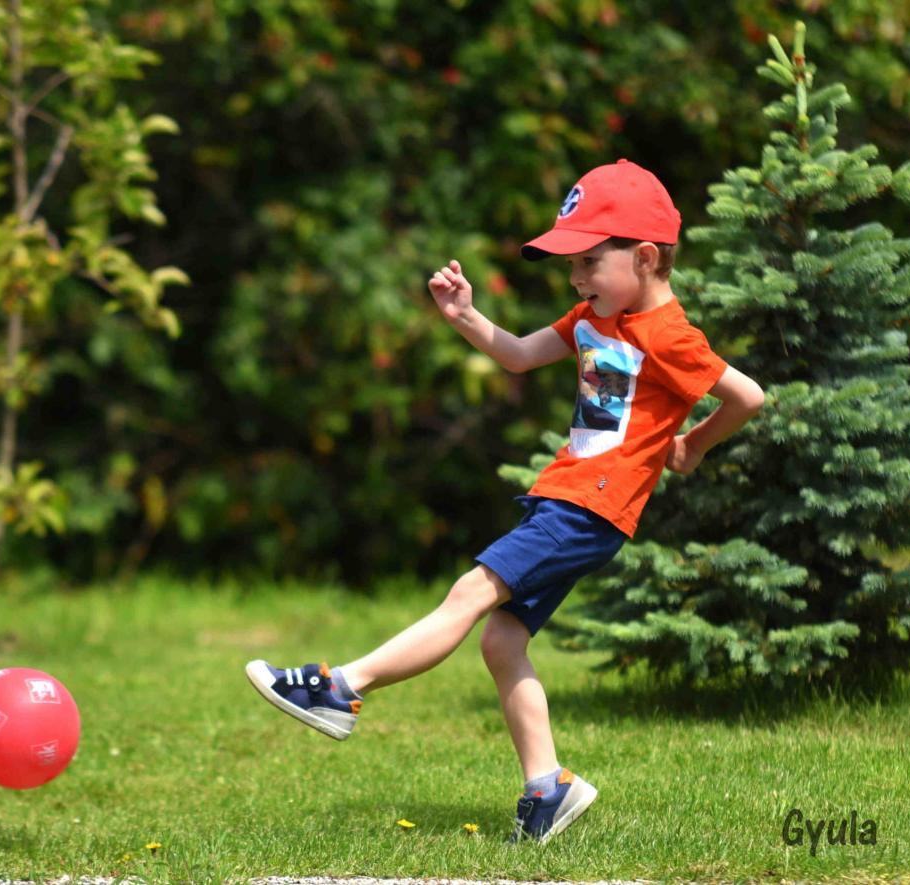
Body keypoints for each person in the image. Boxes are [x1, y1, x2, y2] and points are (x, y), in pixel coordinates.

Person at [246, 159, 766, 843]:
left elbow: (747, 395)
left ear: (644, 257)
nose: (575, 278)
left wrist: (693, 444)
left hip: (591, 505)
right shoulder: (594, 316)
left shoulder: (668, 335)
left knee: (470, 592)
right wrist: (465, 316)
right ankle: (549, 787)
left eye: (588, 262)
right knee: (502, 638)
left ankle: (340, 688)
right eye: (571, 265)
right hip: (566, 496)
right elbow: (519, 354)